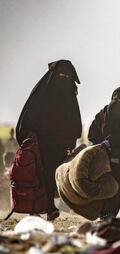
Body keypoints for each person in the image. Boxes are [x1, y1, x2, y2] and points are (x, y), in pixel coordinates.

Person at [16, 60, 82, 221]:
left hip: (59, 142)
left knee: (53, 173)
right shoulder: (42, 92)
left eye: (67, 76)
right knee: (39, 173)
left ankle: (49, 206)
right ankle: (41, 207)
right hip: (40, 140)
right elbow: (28, 116)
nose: (64, 78)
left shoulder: (69, 93)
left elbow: (74, 117)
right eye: (61, 75)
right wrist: (28, 137)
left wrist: (72, 138)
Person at [88, 87, 120, 219]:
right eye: (119, 100)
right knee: (103, 187)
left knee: (118, 189)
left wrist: (111, 141)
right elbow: (93, 134)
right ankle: (102, 213)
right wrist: (99, 146)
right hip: (104, 160)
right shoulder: (103, 114)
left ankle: (110, 215)